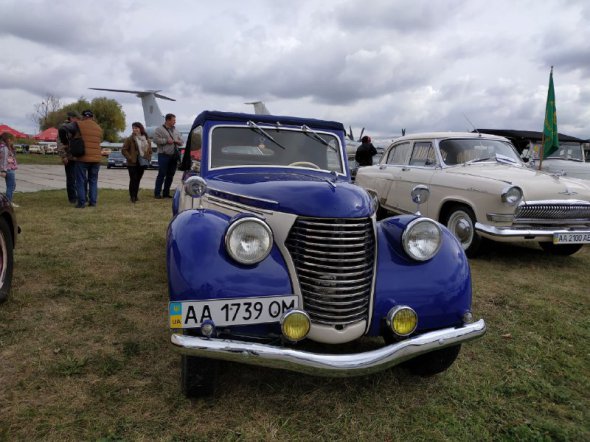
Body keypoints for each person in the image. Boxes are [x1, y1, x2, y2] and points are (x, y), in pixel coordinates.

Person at [59, 109, 103, 208]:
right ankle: (93, 202)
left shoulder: (78, 124)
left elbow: (62, 129)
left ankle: (81, 203)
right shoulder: (98, 127)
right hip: (96, 158)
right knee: (93, 180)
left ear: (83, 117)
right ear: (92, 117)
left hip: (83, 158)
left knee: (80, 180)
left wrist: (65, 142)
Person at [153, 113, 183, 198]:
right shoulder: (159, 129)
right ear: (168, 120)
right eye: (173, 120)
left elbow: (181, 141)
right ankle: (157, 193)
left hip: (173, 156)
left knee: (170, 175)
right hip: (163, 155)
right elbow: (155, 140)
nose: (175, 122)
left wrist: (178, 142)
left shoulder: (176, 130)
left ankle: (166, 193)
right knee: (161, 174)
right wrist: (166, 140)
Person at [122, 122, 152, 203]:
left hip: (142, 162)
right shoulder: (130, 139)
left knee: (138, 179)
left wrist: (149, 158)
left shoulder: (146, 139)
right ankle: (132, 197)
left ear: (140, 128)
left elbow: (149, 150)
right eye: (133, 128)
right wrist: (130, 157)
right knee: (133, 179)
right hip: (132, 163)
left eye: (136, 128)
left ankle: (135, 195)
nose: (134, 129)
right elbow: (124, 150)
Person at [57, 111, 81, 203]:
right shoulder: (64, 128)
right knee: (71, 179)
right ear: (71, 118)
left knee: (79, 178)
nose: (78, 120)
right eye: (77, 118)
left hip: (78, 157)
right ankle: (72, 198)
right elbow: (60, 143)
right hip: (69, 157)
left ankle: (80, 195)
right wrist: (63, 156)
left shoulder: (77, 127)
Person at [0, 132, 18, 206]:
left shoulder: (6, 147)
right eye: (11, 139)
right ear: (7, 139)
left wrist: (12, 148)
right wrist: (3, 170)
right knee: (11, 186)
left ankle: (8, 201)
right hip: (8, 169)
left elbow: (12, 157)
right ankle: (8, 203)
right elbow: (4, 160)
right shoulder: (4, 148)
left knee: (12, 185)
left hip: (10, 168)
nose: (11, 141)